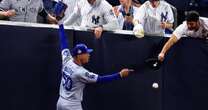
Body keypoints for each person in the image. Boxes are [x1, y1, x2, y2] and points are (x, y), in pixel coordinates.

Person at [56, 24, 133, 110]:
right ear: (79, 55)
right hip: (72, 105)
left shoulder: (67, 59)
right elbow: (101, 79)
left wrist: (61, 27)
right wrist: (120, 75)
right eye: (86, 53)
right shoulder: (80, 72)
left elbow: (63, 44)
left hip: (60, 102)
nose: (88, 55)